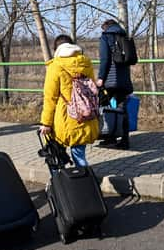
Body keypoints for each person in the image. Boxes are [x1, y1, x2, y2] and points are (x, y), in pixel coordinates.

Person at [39, 34, 99, 168]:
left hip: (64, 119)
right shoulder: (86, 63)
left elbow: (50, 97)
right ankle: (86, 182)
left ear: (57, 49)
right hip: (85, 115)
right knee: (79, 155)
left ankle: (59, 183)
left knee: (56, 156)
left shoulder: (55, 66)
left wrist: (46, 123)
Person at [96, 19, 133, 149]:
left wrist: (101, 78)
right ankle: (125, 140)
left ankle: (109, 137)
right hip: (124, 79)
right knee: (122, 109)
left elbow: (105, 59)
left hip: (110, 80)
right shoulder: (123, 36)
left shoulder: (106, 37)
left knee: (106, 107)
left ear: (106, 27)